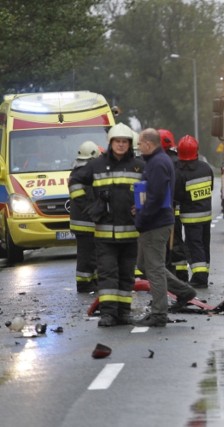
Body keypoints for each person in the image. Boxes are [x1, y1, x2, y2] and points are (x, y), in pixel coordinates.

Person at [69, 123, 144, 326]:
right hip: (104, 234)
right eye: (117, 141)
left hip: (130, 234)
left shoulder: (139, 166)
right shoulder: (97, 165)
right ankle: (108, 314)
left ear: (129, 144)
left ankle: (123, 313)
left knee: (126, 276)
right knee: (108, 275)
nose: (121, 145)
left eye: (124, 142)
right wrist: (90, 207)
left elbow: (151, 190)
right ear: (110, 143)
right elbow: (75, 182)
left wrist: (142, 208)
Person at [134, 128, 197, 327]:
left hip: (155, 223)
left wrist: (142, 218)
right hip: (155, 221)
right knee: (146, 265)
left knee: (154, 269)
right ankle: (184, 291)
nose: (137, 147)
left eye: (139, 143)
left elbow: (156, 196)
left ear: (148, 143)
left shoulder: (158, 163)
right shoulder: (157, 161)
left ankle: (159, 313)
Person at [175, 135, 214, 288]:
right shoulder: (206, 168)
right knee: (204, 244)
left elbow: (177, 196)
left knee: (194, 246)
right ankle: (204, 273)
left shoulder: (179, 172)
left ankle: (199, 277)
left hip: (191, 218)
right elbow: (210, 188)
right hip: (206, 214)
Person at [68, 140, 102, 293]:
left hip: (84, 220)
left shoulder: (77, 170)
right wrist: (94, 210)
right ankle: (84, 284)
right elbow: (83, 198)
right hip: (85, 221)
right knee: (86, 255)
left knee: (91, 254)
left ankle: (92, 280)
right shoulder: (85, 173)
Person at [158, 128, 189, 282]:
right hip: (175, 208)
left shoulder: (153, 160)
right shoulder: (177, 161)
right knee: (176, 241)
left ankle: (164, 273)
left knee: (159, 242)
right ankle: (181, 275)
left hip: (159, 210)